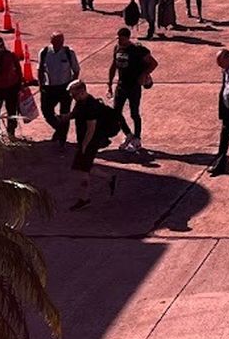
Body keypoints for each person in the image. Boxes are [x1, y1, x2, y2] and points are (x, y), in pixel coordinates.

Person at [64, 78, 122, 210]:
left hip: (90, 142)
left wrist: (84, 145)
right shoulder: (80, 102)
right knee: (84, 167)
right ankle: (109, 178)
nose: (73, 97)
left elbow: (91, 128)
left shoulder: (91, 106)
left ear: (82, 91)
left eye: (74, 94)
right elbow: (75, 113)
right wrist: (65, 117)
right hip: (85, 141)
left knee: (82, 171)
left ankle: (84, 199)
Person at [107, 26, 157, 151]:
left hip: (134, 86)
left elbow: (153, 63)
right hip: (121, 85)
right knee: (116, 112)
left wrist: (143, 74)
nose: (119, 41)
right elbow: (113, 66)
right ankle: (128, 135)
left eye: (121, 39)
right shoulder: (117, 48)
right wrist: (109, 83)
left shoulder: (137, 50)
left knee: (134, 113)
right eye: (118, 38)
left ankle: (137, 139)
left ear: (127, 38)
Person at [37, 31, 81, 145]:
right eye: (56, 41)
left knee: (65, 113)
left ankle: (62, 139)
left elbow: (76, 70)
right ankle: (59, 129)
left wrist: (73, 85)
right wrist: (41, 85)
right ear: (51, 41)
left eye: (61, 41)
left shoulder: (68, 52)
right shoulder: (45, 52)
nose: (59, 44)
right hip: (49, 87)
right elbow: (40, 69)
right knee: (46, 111)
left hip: (65, 87)